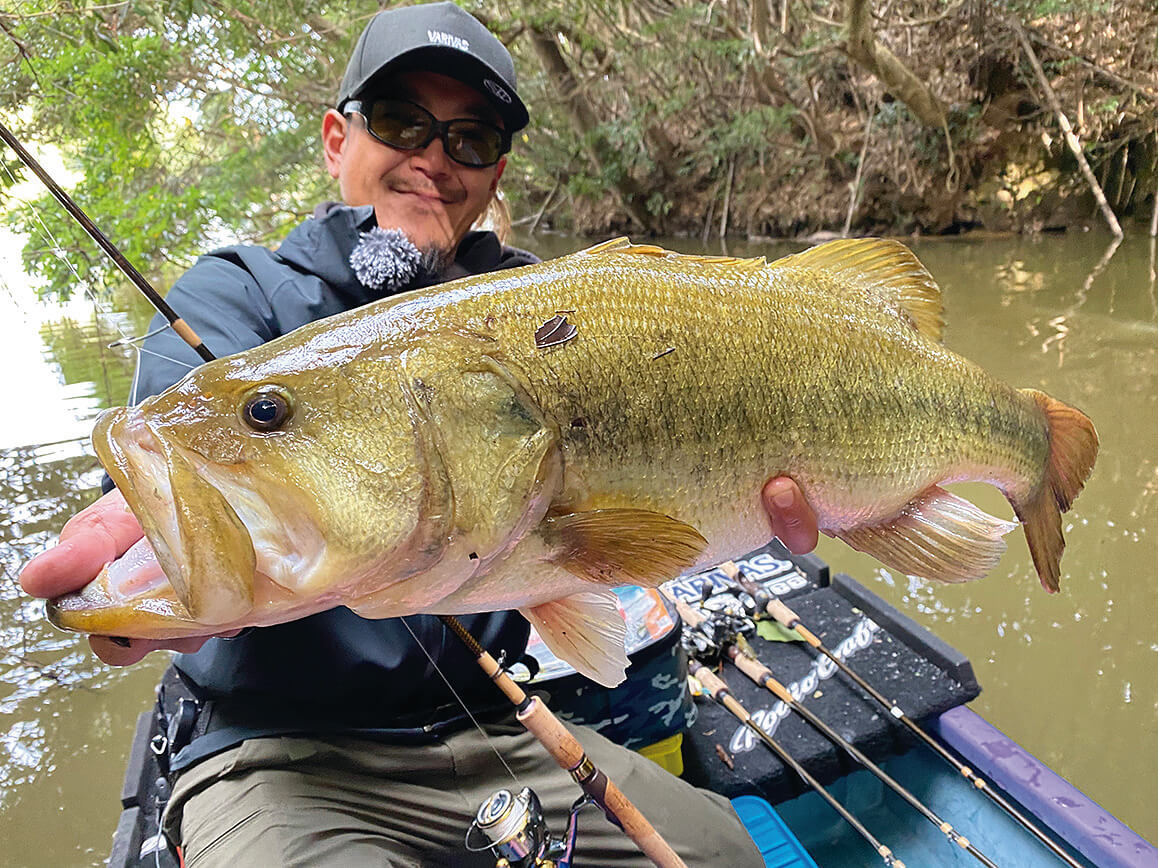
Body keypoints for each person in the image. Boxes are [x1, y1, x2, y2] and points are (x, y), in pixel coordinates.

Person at [20, 4, 820, 866]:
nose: (434, 158)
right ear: (337, 139)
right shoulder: (236, 294)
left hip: (496, 727)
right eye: (402, 120)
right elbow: (174, 477)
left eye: (469, 139)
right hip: (278, 754)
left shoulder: (546, 305)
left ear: (495, 174)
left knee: (726, 853)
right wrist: (151, 556)